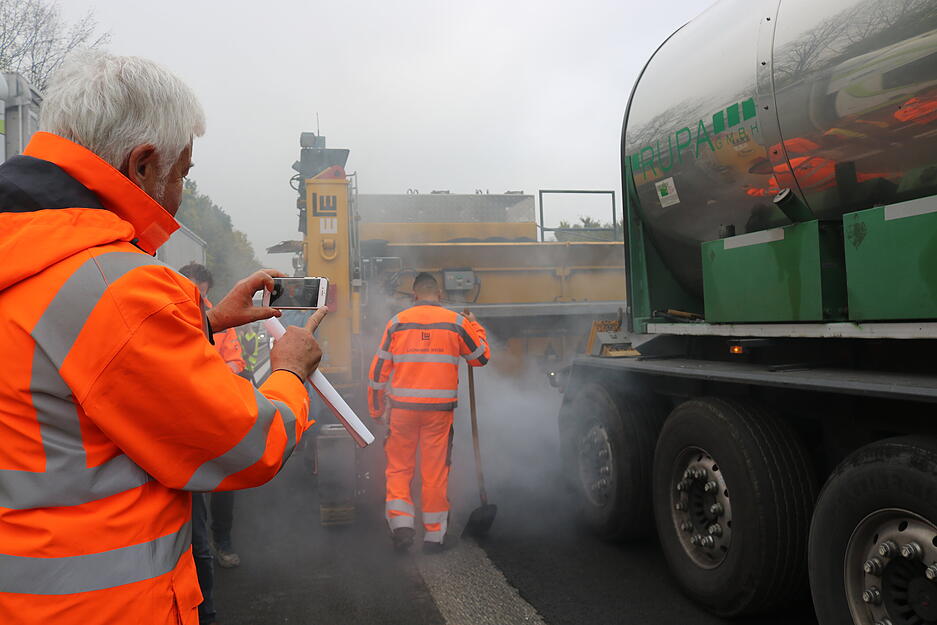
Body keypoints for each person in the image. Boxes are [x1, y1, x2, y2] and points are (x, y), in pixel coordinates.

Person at [0, 51, 326, 625]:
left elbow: (70, 362)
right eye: (182, 175)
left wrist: (209, 321)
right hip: (102, 607)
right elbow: (247, 444)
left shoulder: (27, 252)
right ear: (143, 164)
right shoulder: (115, 286)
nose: (178, 194)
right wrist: (290, 372)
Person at [368, 273, 490, 553]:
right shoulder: (457, 323)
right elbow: (481, 357)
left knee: (399, 468)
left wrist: (376, 409)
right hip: (438, 413)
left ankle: (401, 527)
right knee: (434, 473)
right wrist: (474, 324)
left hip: (402, 411)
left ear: (414, 295)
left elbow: (377, 373)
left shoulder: (397, 323)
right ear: (439, 294)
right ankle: (434, 538)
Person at [177, 263, 245, 624]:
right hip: (180, 422)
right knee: (189, 502)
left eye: (201, 293)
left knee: (223, 485)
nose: (196, 298)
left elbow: (235, 361)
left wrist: (213, 377)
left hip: (214, 414)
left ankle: (224, 541)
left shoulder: (219, 322)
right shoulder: (166, 313)